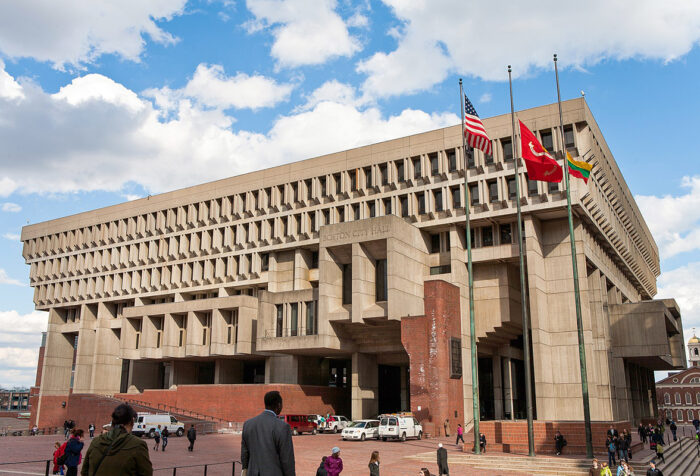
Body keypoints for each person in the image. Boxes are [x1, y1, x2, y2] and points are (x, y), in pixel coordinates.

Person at [80, 403, 153, 476]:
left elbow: (84, 471)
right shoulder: (138, 445)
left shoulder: (96, 442)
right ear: (131, 422)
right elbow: (146, 473)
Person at [240, 390, 295, 476]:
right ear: (279, 405)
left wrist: (245, 469)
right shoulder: (283, 427)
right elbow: (287, 460)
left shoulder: (248, 424)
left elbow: (244, 454)